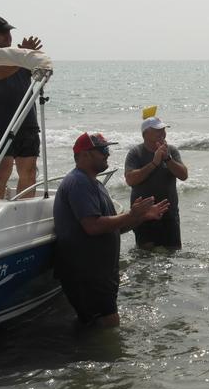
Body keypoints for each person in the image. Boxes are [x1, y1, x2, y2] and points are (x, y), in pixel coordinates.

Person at [53, 132, 169, 327]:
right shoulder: (78, 183)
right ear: (84, 155)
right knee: (103, 327)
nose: (107, 154)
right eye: (103, 150)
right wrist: (132, 215)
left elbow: (112, 227)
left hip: (99, 274)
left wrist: (139, 218)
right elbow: (93, 226)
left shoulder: (94, 184)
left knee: (103, 327)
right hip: (87, 274)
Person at [0, 16, 43, 199]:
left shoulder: (19, 54)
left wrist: (30, 56)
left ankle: (24, 213)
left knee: (29, 173)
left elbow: (39, 72)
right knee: (1, 175)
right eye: (3, 32)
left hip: (26, 120)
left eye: (9, 31)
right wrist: (23, 54)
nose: (8, 35)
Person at [124, 116, 188, 249]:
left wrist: (168, 159)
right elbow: (130, 179)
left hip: (169, 214)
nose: (163, 133)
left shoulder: (171, 150)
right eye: (158, 130)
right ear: (145, 134)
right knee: (145, 255)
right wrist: (154, 163)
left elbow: (183, 175)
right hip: (144, 215)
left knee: (173, 253)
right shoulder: (136, 153)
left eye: (164, 130)